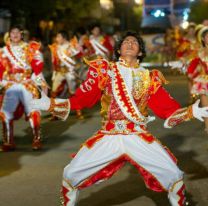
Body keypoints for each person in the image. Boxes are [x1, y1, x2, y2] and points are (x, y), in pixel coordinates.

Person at [30, 31, 208, 206]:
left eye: (134, 42)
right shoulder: (105, 70)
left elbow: (167, 110)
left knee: (174, 176)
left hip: (137, 136)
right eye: (125, 42)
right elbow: (83, 98)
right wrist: (50, 105)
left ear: (140, 51)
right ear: (118, 50)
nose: (129, 44)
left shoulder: (149, 77)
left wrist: (191, 111)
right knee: (70, 175)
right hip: (109, 135)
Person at [0, 25, 47, 151]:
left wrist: (40, 82)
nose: (15, 35)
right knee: (5, 112)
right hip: (11, 84)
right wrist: (2, 82)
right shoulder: (3, 51)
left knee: (33, 110)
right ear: (9, 35)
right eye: (12, 32)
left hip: (27, 82)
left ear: (21, 34)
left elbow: (37, 68)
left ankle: (37, 139)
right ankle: (8, 142)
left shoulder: (30, 48)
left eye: (17, 32)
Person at [49, 30, 83, 119]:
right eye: (57, 37)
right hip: (60, 72)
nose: (57, 39)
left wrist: (78, 48)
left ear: (63, 38)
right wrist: (53, 74)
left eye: (58, 37)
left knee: (73, 92)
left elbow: (79, 57)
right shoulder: (55, 48)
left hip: (69, 71)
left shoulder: (71, 46)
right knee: (54, 92)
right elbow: (54, 62)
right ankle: (55, 113)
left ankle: (78, 111)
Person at [187, 26, 208, 133]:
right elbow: (193, 63)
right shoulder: (200, 52)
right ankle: (207, 126)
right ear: (203, 39)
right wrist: (190, 73)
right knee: (205, 106)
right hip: (204, 82)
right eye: (207, 36)